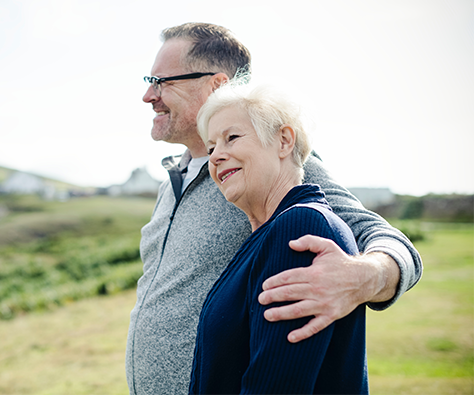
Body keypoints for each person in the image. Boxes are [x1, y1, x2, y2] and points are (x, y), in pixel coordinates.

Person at [126, 22, 422, 395]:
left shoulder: (272, 163)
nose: (148, 95)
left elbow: (382, 237)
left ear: (217, 85)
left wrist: (367, 276)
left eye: (161, 80)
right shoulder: (173, 180)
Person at [189, 80, 367, 394]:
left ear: (284, 141)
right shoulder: (265, 236)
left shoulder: (300, 227)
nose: (215, 157)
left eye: (232, 138)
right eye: (212, 147)